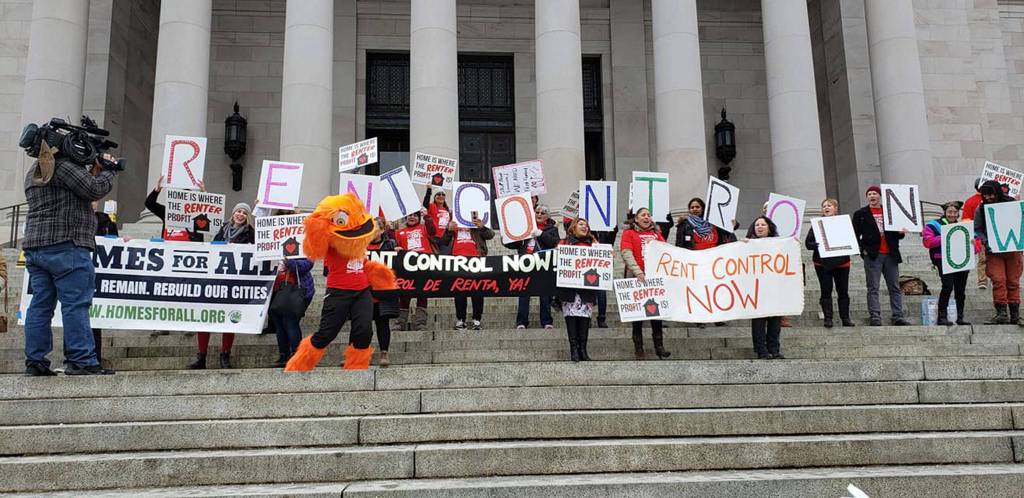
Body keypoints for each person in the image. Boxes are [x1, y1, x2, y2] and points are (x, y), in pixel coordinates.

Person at [22, 151, 120, 376]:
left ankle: (35, 361)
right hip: (67, 244)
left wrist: (93, 173)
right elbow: (94, 189)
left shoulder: (35, 170)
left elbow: (75, 191)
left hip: (37, 246)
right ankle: (82, 360)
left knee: (40, 306)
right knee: (75, 304)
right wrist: (108, 171)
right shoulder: (64, 166)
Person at [188, 203, 255, 369]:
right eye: (238, 211)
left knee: (230, 319)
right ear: (233, 213)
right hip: (215, 281)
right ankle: (201, 357)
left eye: (244, 213)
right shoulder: (223, 229)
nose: (240, 214)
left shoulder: (250, 233)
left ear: (248, 217)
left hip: (234, 282)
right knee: (204, 318)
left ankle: (225, 355)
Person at [852, 185, 910, 326]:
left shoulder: (890, 211)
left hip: (890, 253)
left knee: (894, 286)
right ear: (867, 197)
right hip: (872, 254)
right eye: (870, 194)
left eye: (875, 193)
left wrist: (901, 233)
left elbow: (895, 234)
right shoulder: (861, 213)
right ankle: (875, 316)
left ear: (880, 196)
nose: (872, 196)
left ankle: (897, 315)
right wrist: (862, 250)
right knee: (873, 287)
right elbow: (853, 233)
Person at [621, 207, 670, 359]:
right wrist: (638, 272)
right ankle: (639, 349)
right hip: (636, 278)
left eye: (649, 215)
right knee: (637, 316)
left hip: (654, 278)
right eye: (643, 215)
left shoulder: (656, 234)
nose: (646, 217)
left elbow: (666, 251)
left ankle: (659, 346)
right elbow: (626, 253)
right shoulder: (629, 233)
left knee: (656, 314)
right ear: (636, 219)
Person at [973, 180, 1022, 324]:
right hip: (993, 250)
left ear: (997, 192)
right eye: (985, 195)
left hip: (1013, 250)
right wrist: (986, 241)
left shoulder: (1012, 203)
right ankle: (1001, 312)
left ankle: (1014, 314)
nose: (988, 198)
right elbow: (977, 229)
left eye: (990, 195)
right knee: (998, 280)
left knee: (1013, 281)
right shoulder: (981, 209)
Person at [506, 204, 560, 329]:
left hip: (543, 263)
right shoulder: (525, 227)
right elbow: (515, 244)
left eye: (542, 213)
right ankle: (521, 322)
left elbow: (554, 243)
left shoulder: (552, 229)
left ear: (547, 216)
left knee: (545, 294)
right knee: (524, 292)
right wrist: (507, 239)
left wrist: (540, 233)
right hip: (526, 262)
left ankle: (546, 321)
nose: (539, 214)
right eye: (537, 212)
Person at [805, 198, 854, 328]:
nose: (826, 208)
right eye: (824, 206)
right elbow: (808, 243)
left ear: (835, 208)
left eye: (829, 205)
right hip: (822, 263)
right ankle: (828, 318)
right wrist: (815, 245)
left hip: (842, 263)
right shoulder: (816, 224)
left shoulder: (843, 223)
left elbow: (851, 239)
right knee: (825, 290)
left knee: (843, 291)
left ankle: (845, 318)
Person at [922, 201, 972, 326]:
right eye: (950, 212)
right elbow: (927, 242)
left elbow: (975, 246)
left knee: (960, 290)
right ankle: (942, 317)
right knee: (947, 287)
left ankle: (960, 317)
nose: (953, 215)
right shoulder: (933, 225)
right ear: (944, 212)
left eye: (955, 212)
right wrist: (946, 235)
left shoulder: (964, 227)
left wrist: (972, 243)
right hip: (942, 260)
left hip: (961, 260)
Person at [442, 214, 494, 330]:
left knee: (477, 290)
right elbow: (444, 241)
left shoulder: (476, 223)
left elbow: (491, 235)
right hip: (457, 261)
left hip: (476, 260)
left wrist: (482, 227)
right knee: (459, 291)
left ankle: (477, 319)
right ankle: (461, 319)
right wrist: (448, 230)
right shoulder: (453, 223)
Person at [557, 218, 599, 361]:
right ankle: (574, 349)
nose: (585, 227)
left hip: (587, 288)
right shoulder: (564, 243)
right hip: (569, 288)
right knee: (571, 319)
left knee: (584, 320)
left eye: (586, 225)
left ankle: (583, 350)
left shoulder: (594, 244)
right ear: (573, 227)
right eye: (581, 224)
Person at [746, 216, 784, 359]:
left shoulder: (779, 244)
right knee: (759, 321)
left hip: (775, 287)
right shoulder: (748, 244)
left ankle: (774, 349)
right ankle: (761, 350)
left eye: (763, 224)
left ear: (769, 227)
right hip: (756, 289)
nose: (760, 227)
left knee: (775, 321)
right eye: (757, 225)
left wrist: (792, 245)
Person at [393, 209, 437, 331]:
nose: (412, 217)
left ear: (419, 217)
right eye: (409, 215)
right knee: (404, 294)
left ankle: (420, 322)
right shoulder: (399, 232)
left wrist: (427, 216)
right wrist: (395, 248)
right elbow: (393, 245)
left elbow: (433, 231)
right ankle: (400, 322)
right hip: (406, 267)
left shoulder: (424, 228)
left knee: (422, 294)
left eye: (415, 215)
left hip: (424, 265)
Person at [269, 255, 314, 367]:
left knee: (290, 322)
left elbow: (308, 264)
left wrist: (290, 262)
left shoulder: (301, 242)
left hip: (294, 290)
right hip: (274, 290)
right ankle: (284, 355)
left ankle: (297, 355)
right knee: (279, 324)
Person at [90, 200, 119, 366]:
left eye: (94, 199)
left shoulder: (106, 221)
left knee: (94, 318)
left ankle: (95, 357)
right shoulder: (75, 218)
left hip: (100, 275)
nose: (92, 203)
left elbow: (115, 243)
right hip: (80, 272)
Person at [367, 218, 398, 367]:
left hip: (383, 291)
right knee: (361, 324)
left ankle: (384, 352)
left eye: (375, 228)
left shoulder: (390, 244)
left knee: (382, 323)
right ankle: (357, 353)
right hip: (365, 290)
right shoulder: (359, 246)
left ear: (381, 230)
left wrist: (398, 253)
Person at [144, 175, 205, 242]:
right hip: (167, 249)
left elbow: (208, 212)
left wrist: (204, 193)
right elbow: (149, 203)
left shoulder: (196, 219)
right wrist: (157, 190)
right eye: (182, 198)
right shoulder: (168, 213)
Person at [962, 179, 987, 289]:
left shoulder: (969, 201)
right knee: (984, 258)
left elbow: (965, 220)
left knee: (983, 259)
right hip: (981, 234)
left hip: (978, 234)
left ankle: (982, 281)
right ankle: (982, 280)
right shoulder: (992, 199)